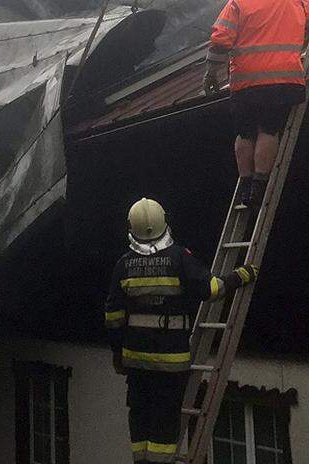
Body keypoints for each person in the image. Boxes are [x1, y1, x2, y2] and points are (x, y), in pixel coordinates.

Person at [105, 198, 259, 464]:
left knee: (140, 418)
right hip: (170, 361)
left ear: (131, 227)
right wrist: (241, 276)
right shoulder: (179, 257)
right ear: (165, 221)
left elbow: (113, 317)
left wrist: (118, 355)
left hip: (135, 361)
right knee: (165, 422)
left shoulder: (123, 264)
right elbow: (211, 290)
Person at [204, 0, 309, 206]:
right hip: (286, 78)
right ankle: (261, 184)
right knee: (269, 129)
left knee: (245, 133)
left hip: (248, 82)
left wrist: (211, 73)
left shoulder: (239, 1)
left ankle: (246, 185)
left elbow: (221, 39)